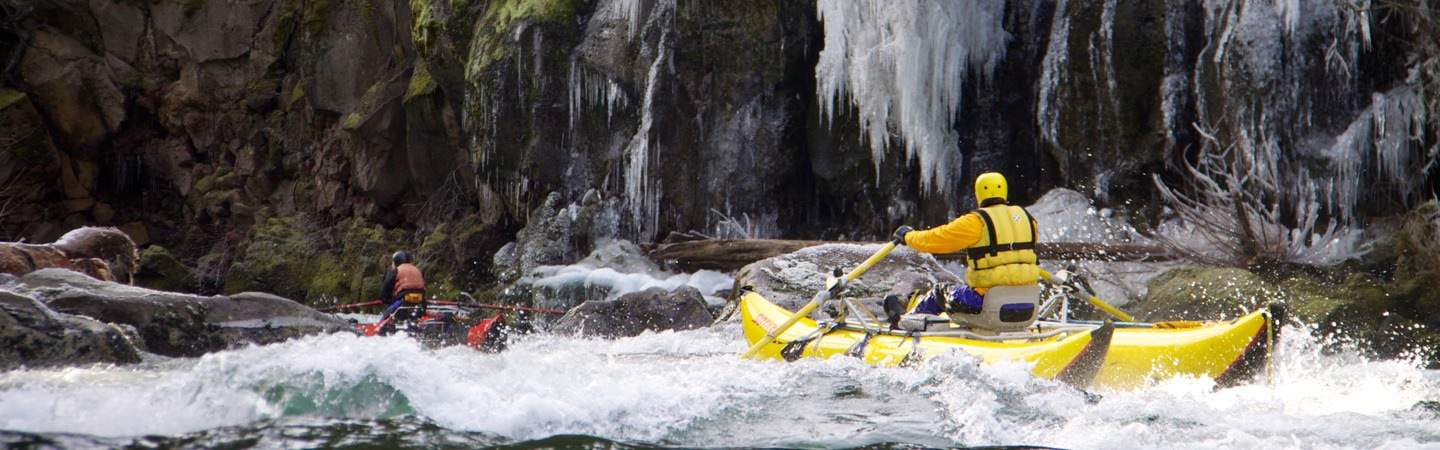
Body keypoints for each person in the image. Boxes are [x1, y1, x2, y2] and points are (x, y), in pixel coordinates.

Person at [886, 172, 1043, 332]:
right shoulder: (1029, 220)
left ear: (979, 194)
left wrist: (908, 236)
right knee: (961, 289)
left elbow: (936, 239)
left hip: (986, 303)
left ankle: (904, 326)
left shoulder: (976, 222)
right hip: (1028, 303)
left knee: (939, 292)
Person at [378, 251, 428, 328]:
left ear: (396, 261)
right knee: (413, 320)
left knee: (385, 317)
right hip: (421, 302)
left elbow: (386, 288)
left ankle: (381, 331)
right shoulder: (417, 269)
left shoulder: (396, 270)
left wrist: (385, 300)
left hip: (403, 300)